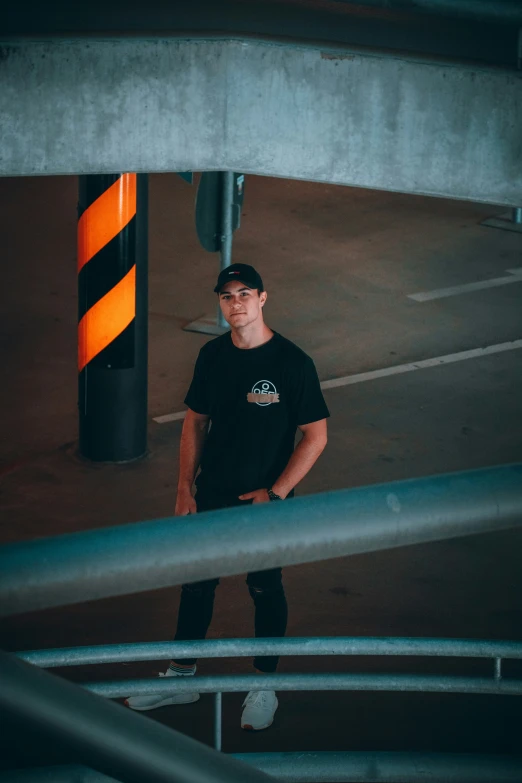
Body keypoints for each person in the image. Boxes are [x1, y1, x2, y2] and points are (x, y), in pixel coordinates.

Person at [126, 263, 329, 730]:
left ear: (263, 298)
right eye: (226, 296)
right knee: (196, 584)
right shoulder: (212, 356)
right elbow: (195, 421)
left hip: (265, 501)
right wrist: (183, 489)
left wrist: (275, 495)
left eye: (243, 294)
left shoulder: (293, 363)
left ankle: (264, 683)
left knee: (264, 586)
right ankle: (181, 677)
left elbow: (315, 437)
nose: (235, 303)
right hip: (212, 491)